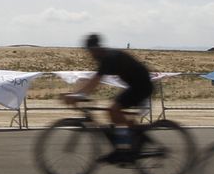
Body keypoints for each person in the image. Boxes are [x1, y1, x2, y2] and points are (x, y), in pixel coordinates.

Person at [63, 33, 154, 161]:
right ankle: (127, 142)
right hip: (136, 85)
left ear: (96, 48)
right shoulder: (103, 57)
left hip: (142, 86)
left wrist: (77, 95)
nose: (90, 54)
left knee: (113, 110)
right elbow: (92, 81)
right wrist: (76, 94)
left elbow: (95, 82)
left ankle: (134, 139)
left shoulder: (108, 57)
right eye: (89, 51)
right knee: (112, 113)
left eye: (91, 51)